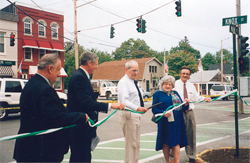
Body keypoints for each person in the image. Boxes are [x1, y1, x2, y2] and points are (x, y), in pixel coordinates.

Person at [13, 54, 89, 163]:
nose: (59, 74)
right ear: (50, 69)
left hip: (27, 149)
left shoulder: (31, 84)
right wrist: (81, 116)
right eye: (58, 70)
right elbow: (57, 118)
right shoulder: (45, 90)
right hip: (41, 152)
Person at [67, 51, 125, 163]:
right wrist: (111, 105)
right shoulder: (80, 77)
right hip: (80, 129)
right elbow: (86, 102)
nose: (96, 67)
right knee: (81, 157)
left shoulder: (82, 76)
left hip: (83, 128)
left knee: (82, 156)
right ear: (89, 63)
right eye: (96, 64)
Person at [175, 66, 211, 163]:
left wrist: (205, 99)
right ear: (180, 74)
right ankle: (172, 157)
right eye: (183, 73)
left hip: (189, 112)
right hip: (178, 113)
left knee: (191, 135)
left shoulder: (191, 86)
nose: (185, 75)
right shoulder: (174, 84)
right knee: (175, 135)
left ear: (189, 75)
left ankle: (192, 157)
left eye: (187, 74)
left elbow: (196, 97)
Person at [152, 75, 190, 163]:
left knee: (176, 142)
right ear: (162, 85)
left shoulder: (175, 93)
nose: (168, 86)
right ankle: (167, 161)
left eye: (169, 84)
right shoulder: (157, 94)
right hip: (164, 122)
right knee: (165, 143)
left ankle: (176, 162)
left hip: (177, 122)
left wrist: (186, 104)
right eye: (165, 84)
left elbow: (183, 108)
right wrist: (163, 113)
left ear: (172, 85)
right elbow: (154, 109)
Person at [117, 60, 148, 163]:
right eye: (133, 70)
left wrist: (140, 109)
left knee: (136, 144)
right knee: (131, 145)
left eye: (137, 70)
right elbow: (124, 101)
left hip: (136, 115)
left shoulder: (133, 82)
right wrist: (137, 108)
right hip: (128, 115)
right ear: (126, 69)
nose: (135, 72)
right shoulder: (123, 82)